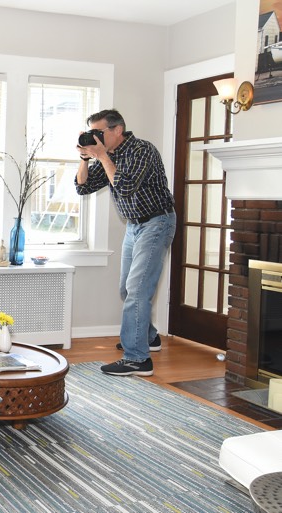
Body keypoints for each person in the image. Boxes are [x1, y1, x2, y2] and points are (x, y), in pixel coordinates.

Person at [75, 109, 175, 377]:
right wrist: (86, 158)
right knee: (126, 289)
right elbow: (82, 187)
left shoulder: (142, 150)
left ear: (117, 130)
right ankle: (148, 338)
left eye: (99, 132)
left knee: (137, 289)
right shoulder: (109, 154)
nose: (95, 137)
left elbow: (125, 185)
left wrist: (102, 156)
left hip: (156, 222)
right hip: (134, 226)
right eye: (92, 133)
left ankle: (137, 358)